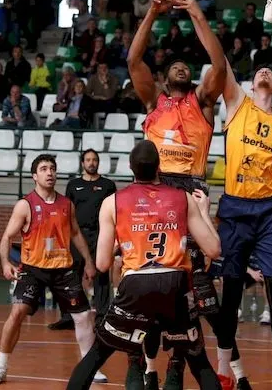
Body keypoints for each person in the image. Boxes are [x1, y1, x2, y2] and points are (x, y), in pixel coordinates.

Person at [128, 0, 254, 390]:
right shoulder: (154, 102)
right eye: (176, 66)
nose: (182, 68)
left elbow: (218, 63)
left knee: (193, 289)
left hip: (191, 193)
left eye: (187, 67)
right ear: (164, 79)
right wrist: (152, 12)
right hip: (154, 191)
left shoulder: (202, 102)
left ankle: (179, 365)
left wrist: (195, 11)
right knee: (150, 281)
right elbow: (133, 60)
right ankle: (145, 365)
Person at [65, 140, 222, 390]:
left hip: (136, 282)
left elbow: (103, 264)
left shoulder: (112, 202)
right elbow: (214, 250)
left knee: (96, 355)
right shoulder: (183, 198)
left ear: (130, 168)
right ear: (159, 167)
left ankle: (137, 365)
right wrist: (204, 212)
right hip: (174, 282)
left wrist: (125, 240)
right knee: (199, 362)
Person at [213, 55, 272, 390]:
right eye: (258, 71)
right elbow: (219, 61)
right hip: (235, 207)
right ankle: (224, 371)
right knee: (231, 291)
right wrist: (199, 21)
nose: (264, 71)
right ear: (251, 85)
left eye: (270, 73)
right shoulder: (238, 104)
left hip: (269, 211)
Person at [0, 154, 105, 385]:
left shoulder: (66, 204)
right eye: (43, 169)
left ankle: (90, 368)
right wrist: (6, 263)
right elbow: (7, 237)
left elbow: (76, 233)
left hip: (63, 269)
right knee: (17, 313)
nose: (49, 172)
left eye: (52, 168)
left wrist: (89, 262)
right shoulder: (25, 205)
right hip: (33, 269)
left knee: (83, 316)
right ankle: (0, 366)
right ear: (34, 176)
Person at [49, 149, 117, 330]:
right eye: (88, 160)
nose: (91, 163)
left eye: (94, 160)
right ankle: (68, 316)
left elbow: (115, 212)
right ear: (82, 163)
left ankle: (101, 318)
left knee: (101, 277)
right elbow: (66, 212)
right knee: (71, 277)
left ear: (98, 163)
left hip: (101, 235)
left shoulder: (108, 185)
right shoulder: (74, 185)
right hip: (77, 236)